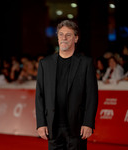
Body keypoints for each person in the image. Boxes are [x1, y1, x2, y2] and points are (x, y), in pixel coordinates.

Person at [35, 20, 98, 150]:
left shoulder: (86, 63)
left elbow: (92, 96)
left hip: (77, 127)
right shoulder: (45, 64)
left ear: (76, 38)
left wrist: (88, 123)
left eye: (68, 35)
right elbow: (39, 96)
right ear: (57, 38)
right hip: (53, 126)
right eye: (61, 34)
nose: (64, 38)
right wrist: (41, 123)